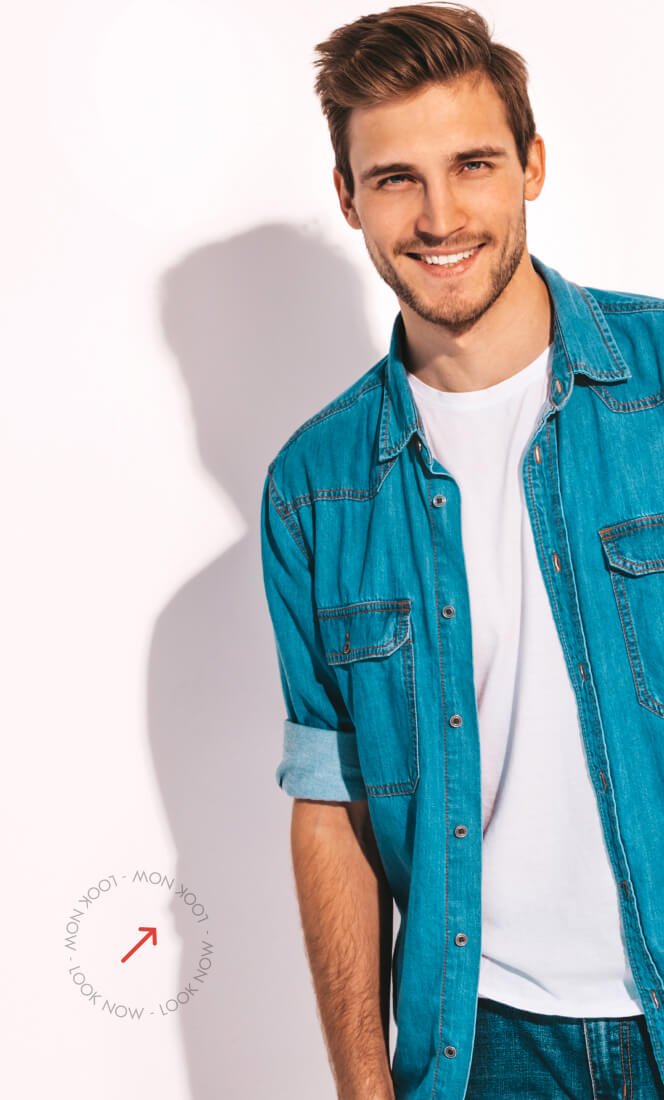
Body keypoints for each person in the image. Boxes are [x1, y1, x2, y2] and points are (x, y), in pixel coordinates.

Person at [259, 4, 664, 1097]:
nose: (439, 216)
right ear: (347, 196)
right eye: (395, 178)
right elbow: (330, 800)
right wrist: (363, 1085)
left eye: (472, 164)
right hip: (484, 1045)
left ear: (531, 164)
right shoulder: (315, 487)